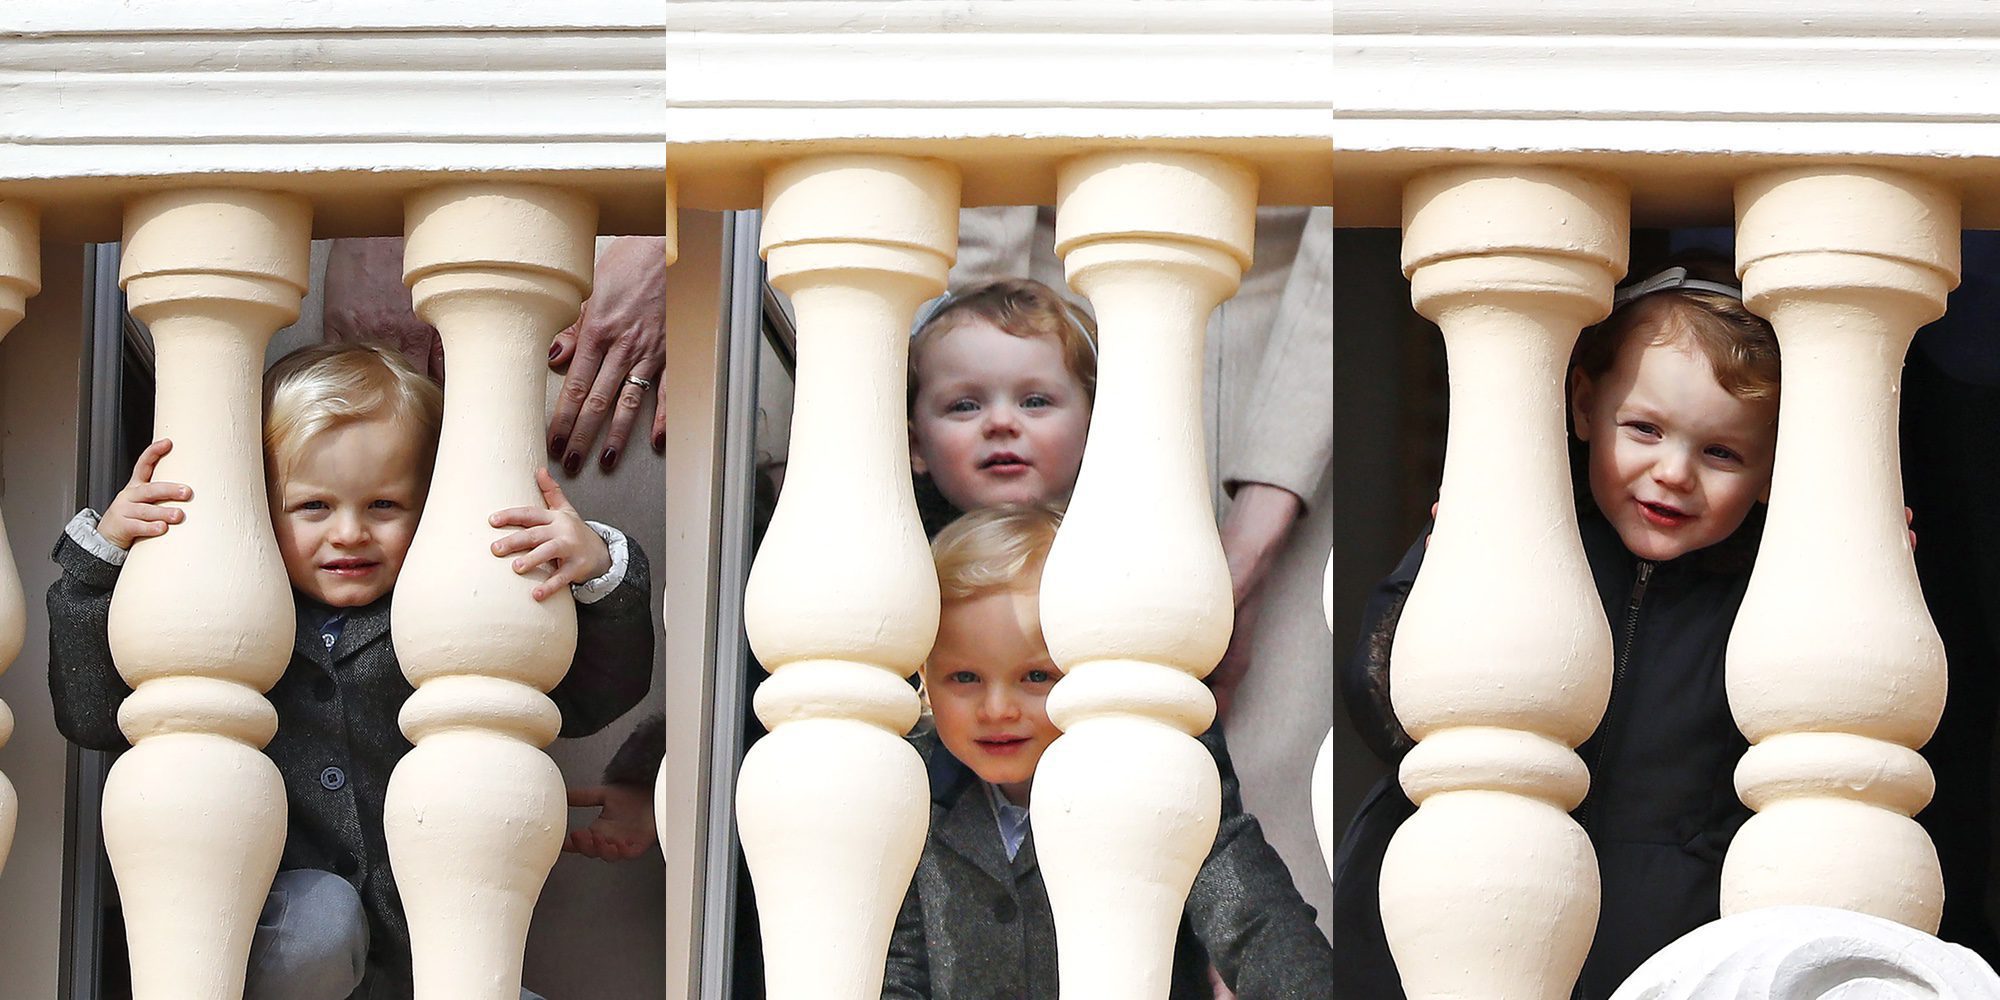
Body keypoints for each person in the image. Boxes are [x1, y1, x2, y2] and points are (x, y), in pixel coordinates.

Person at [47, 343, 656, 1000]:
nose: (349, 534)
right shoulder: (222, 617)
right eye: (313, 507)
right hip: (274, 951)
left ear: (432, 504)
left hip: (414, 965)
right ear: (255, 503)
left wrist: (599, 571)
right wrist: (101, 564)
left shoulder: (452, 613)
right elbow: (89, 712)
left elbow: (595, 696)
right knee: (322, 922)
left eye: (383, 506)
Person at [1333, 258, 1783, 999]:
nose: (1674, 471)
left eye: (1721, 452)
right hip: (1455, 901)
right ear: (1582, 405)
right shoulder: (1524, 530)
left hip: (1655, 934)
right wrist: (1445, 565)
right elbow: (1377, 693)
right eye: (1644, 429)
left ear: (1772, 470)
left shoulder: (1765, 589)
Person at [564, 277, 1098, 857]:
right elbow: (753, 684)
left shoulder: (1127, 561)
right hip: (901, 857)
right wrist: (654, 784)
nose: (1001, 422)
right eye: (964, 404)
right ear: (915, 443)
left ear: (1096, 425)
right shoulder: (871, 545)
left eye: (1036, 400)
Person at [882, 504, 1334, 999]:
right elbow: (899, 967)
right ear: (924, 679)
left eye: (1036, 676)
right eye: (964, 678)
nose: (997, 709)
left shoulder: (1153, 763)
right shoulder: (911, 788)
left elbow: (1254, 918)